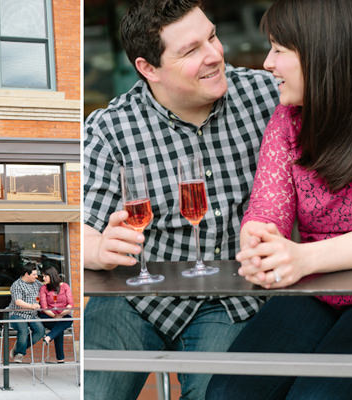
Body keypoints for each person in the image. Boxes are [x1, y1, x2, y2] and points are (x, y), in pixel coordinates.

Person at [83, 0, 279, 398]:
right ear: (147, 68)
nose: (214, 55)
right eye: (191, 51)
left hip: (229, 301)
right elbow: (79, 232)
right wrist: (98, 249)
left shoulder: (267, 96)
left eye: (212, 37)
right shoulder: (109, 128)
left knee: (217, 394)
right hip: (135, 295)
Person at [206, 0, 352, 398]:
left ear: (322, 52)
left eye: (279, 49)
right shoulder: (288, 121)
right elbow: (268, 207)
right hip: (317, 292)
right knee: (228, 392)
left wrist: (304, 258)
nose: (267, 63)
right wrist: (258, 238)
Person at [8, 264, 44, 363]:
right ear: (26, 274)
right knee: (24, 331)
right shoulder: (17, 285)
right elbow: (18, 301)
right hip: (17, 314)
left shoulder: (36, 283)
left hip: (32, 315)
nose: (36, 277)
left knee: (40, 331)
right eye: (34, 274)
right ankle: (19, 354)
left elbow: (46, 288)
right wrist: (31, 306)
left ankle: (18, 348)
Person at [38, 267, 74, 363]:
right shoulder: (43, 288)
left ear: (52, 276)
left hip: (62, 314)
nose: (43, 278)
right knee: (59, 328)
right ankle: (60, 358)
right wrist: (55, 316)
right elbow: (44, 307)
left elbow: (70, 304)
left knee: (69, 320)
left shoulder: (65, 286)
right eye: (43, 276)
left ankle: (49, 337)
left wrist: (62, 314)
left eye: (45, 276)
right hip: (47, 316)